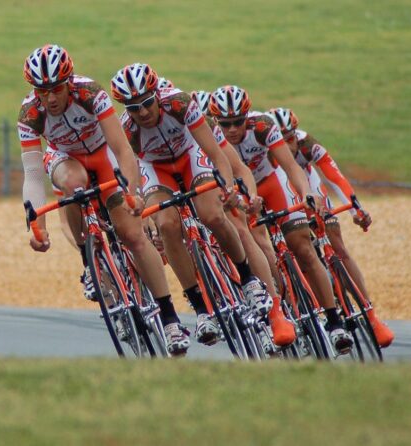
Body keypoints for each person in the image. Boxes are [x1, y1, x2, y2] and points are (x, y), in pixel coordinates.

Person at [18, 44, 190, 355]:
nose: (50, 98)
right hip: (65, 158)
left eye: (56, 89)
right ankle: (89, 260)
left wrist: (133, 194)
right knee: (73, 183)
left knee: (134, 235)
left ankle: (170, 319)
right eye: (42, 91)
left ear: (69, 82)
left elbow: (124, 150)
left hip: (102, 154)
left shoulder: (90, 93)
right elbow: (31, 175)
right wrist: (36, 224)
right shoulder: (30, 113)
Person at [110, 63, 276, 349]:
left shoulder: (180, 103)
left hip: (190, 155)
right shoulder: (126, 127)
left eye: (147, 103)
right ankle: (200, 309)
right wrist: (135, 199)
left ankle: (247, 278)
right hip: (155, 167)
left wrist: (227, 186)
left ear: (157, 96)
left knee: (211, 214)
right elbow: (132, 169)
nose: (143, 112)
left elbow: (215, 153)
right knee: (167, 225)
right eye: (134, 108)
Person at [206, 85, 354, 354]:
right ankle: (276, 306)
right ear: (216, 122)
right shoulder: (209, 137)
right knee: (252, 241)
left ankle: (334, 321)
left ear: (247, 117)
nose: (232, 130)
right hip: (238, 191)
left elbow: (291, 167)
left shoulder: (262, 126)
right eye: (225, 124)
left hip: (272, 184)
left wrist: (307, 193)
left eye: (238, 122)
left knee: (303, 248)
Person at [266, 107, 394, 347]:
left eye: (290, 138)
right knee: (290, 246)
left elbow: (334, 176)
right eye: (282, 141)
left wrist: (357, 209)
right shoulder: (263, 152)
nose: (289, 146)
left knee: (337, 243)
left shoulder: (306, 144)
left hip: (308, 188)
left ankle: (371, 315)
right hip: (280, 192)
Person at [190, 90, 296, 346]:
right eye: (223, 123)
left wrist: (245, 197)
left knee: (246, 230)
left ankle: (276, 308)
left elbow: (239, 170)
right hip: (199, 186)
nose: (231, 128)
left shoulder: (221, 133)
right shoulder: (178, 136)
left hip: (230, 185)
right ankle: (207, 305)